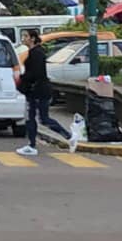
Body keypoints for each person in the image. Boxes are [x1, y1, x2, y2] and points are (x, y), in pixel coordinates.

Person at [16, 28, 78, 156]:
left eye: (26, 36)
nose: (23, 39)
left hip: (38, 91)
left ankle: (69, 136)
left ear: (32, 38)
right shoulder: (34, 52)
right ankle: (32, 145)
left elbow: (36, 73)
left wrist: (22, 78)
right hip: (35, 91)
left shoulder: (36, 53)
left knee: (43, 119)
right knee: (31, 118)